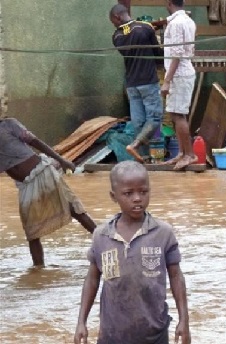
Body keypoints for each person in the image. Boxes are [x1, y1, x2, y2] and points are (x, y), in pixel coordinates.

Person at [73, 161, 190, 344]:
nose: (137, 198)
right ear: (114, 196)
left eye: (143, 192)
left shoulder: (162, 233)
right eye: (128, 193)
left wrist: (184, 321)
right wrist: (81, 322)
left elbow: (176, 276)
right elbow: (92, 279)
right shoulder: (102, 235)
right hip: (112, 334)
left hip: (154, 333)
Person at [0, 116, 96, 266]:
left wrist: (62, 160)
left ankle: (107, 243)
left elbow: (35, 142)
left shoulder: (9, 124)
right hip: (25, 185)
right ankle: (39, 269)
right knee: (31, 232)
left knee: (74, 210)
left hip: (42, 172)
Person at [110, 4, 164, 164]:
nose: (113, 24)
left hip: (132, 85)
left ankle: (144, 157)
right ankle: (134, 145)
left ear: (117, 17)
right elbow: (157, 54)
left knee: (138, 122)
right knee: (155, 118)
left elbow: (125, 48)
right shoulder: (145, 28)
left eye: (112, 21)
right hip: (148, 82)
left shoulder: (117, 36)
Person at [161, 0, 197, 170]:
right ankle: (182, 153)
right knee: (176, 114)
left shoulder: (176, 23)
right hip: (182, 72)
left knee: (179, 115)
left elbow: (176, 54)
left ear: (169, 3)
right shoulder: (188, 20)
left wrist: (167, 80)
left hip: (179, 74)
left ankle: (189, 154)